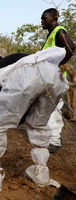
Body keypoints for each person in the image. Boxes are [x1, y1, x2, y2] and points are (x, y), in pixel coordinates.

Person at [0, 46, 68, 195]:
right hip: (56, 75)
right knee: (38, 124)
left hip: (30, 74)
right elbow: (25, 111)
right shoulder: (12, 66)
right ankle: (40, 173)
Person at [41, 8, 75, 153]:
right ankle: (51, 138)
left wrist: (58, 65)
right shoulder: (51, 35)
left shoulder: (59, 31)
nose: (42, 21)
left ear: (54, 18)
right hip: (51, 78)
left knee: (53, 108)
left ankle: (54, 142)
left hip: (56, 78)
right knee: (51, 107)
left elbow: (71, 47)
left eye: (45, 18)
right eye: (42, 19)